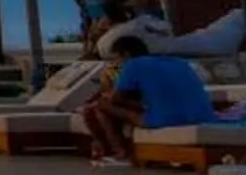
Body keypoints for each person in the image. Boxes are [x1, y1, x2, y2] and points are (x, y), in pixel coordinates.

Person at [80, 35, 215, 167]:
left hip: (168, 118)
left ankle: (121, 154)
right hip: (203, 115)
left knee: (101, 106)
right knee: (121, 107)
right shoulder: (178, 62)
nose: (115, 64)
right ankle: (122, 150)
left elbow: (115, 98)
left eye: (116, 59)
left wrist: (109, 85)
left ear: (125, 55)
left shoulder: (133, 65)